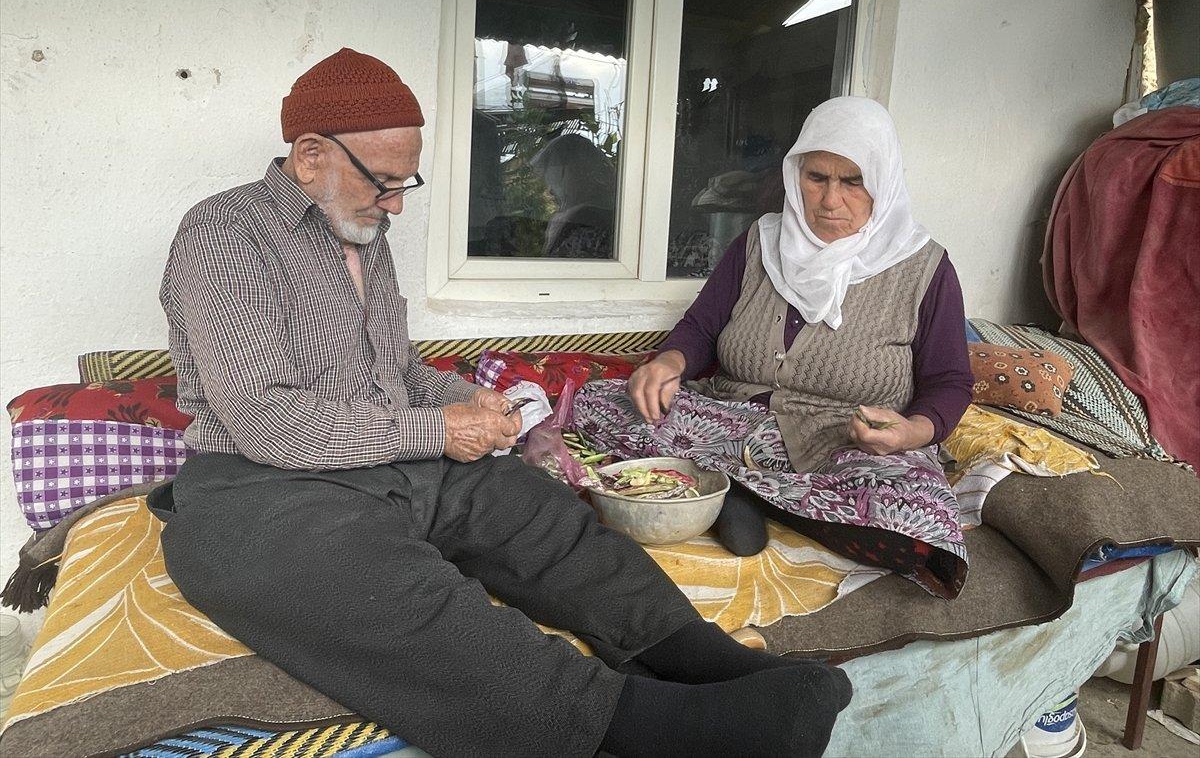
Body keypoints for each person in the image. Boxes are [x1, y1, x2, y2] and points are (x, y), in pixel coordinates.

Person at [148, 48, 851, 758]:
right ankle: (651, 726)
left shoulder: (361, 231)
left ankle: (706, 661)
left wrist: (474, 402)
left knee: (541, 515)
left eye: (404, 184)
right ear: (309, 157)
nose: (396, 205)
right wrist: (437, 428)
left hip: (388, 460)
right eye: (384, 183)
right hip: (265, 481)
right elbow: (265, 419)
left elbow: (396, 369)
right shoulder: (225, 235)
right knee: (387, 592)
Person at [576, 97, 973, 598]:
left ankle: (738, 493)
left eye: (853, 181)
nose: (830, 200)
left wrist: (912, 432)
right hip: (729, 421)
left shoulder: (925, 268)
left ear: (884, 181)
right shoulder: (759, 243)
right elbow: (701, 327)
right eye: (816, 177)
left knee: (915, 515)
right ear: (795, 174)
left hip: (843, 441)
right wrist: (670, 362)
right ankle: (759, 494)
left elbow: (950, 381)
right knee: (599, 402)